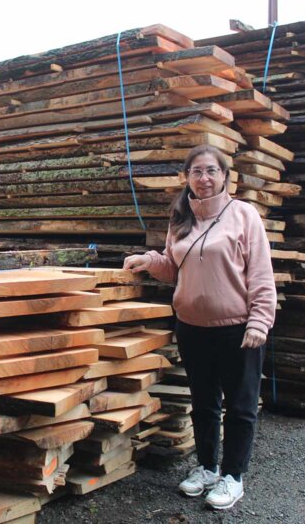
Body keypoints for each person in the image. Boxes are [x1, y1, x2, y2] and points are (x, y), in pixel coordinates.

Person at [123, 144, 276, 511]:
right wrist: (149, 260)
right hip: (192, 328)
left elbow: (260, 273)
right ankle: (207, 468)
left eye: (211, 171)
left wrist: (260, 320)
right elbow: (174, 267)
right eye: (196, 172)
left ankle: (233, 477)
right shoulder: (180, 218)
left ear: (225, 176)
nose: (204, 178)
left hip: (238, 329)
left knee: (240, 407)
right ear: (186, 177)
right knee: (204, 404)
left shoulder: (244, 215)